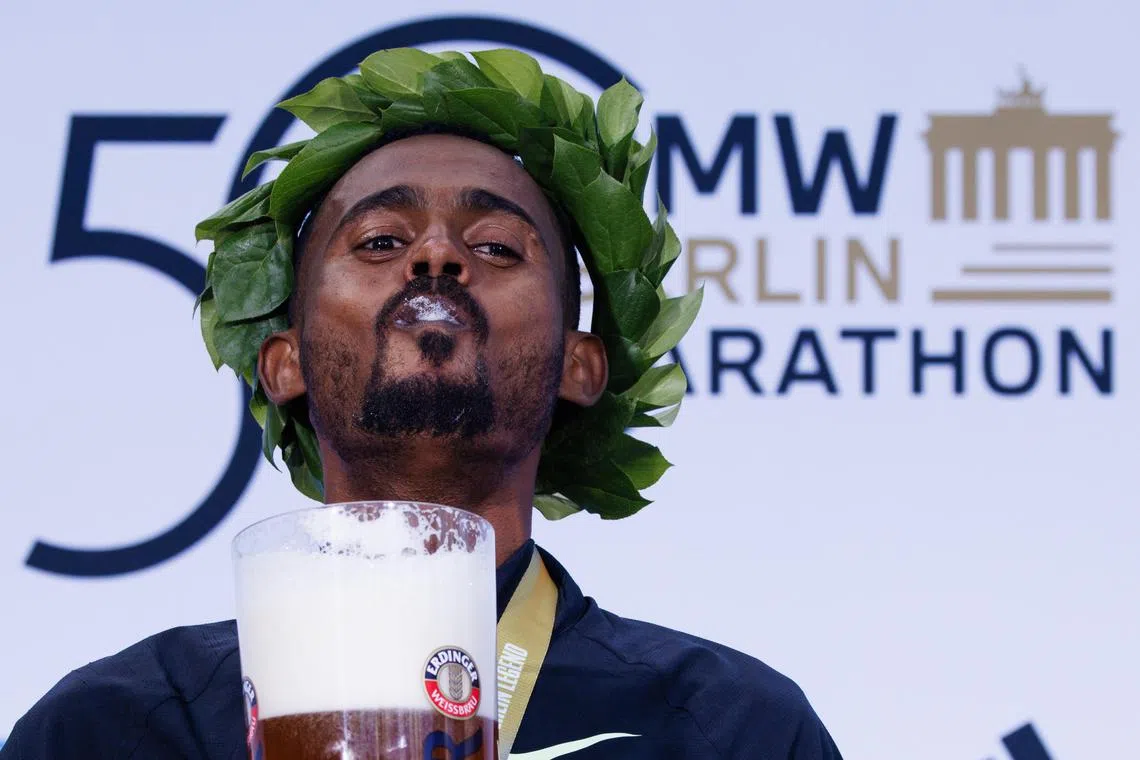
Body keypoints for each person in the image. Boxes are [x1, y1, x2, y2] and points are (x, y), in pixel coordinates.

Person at [1, 48, 843, 759]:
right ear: (283, 362)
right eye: (380, 241)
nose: (437, 254)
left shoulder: (731, 730)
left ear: (579, 366)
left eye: (495, 246)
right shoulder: (113, 729)